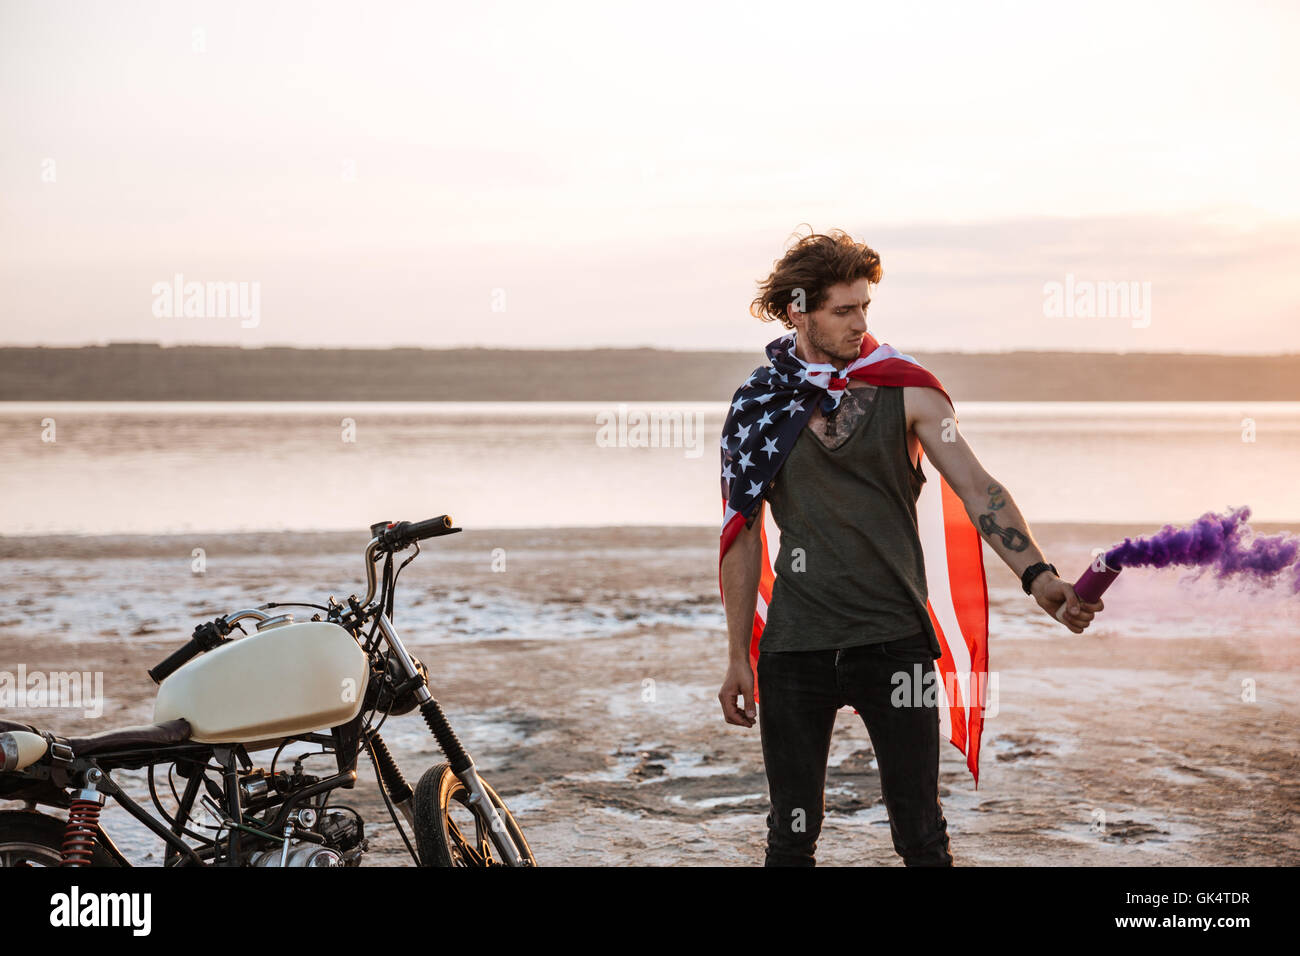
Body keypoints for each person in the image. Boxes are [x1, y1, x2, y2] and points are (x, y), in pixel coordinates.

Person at [716, 229, 1104, 866]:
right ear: (797, 309)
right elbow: (742, 534)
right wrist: (738, 656)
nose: (858, 322)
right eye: (842, 310)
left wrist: (1039, 576)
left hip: (895, 639)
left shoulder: (910, 391)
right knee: (789, 840)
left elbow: (980, 489)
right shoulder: (760, 405)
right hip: (794, 647)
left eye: (864, 307)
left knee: (922, 838)